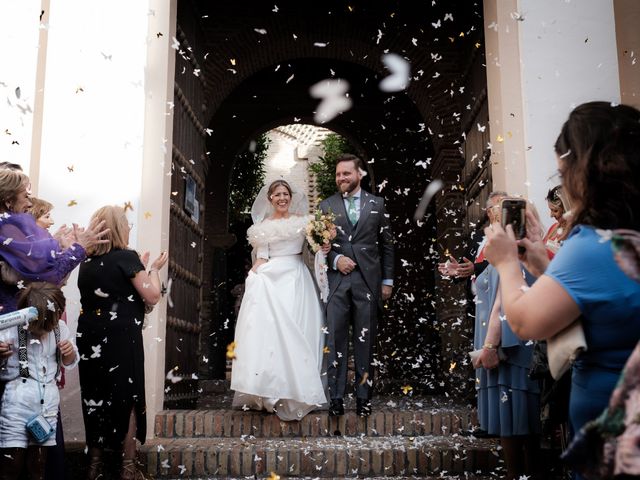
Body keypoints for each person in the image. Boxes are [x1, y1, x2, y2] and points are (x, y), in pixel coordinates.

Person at [483, 102, 640, 479]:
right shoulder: (622, 239)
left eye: (563, 170)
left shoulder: (591, 247)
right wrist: (542, 265)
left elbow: (524, 321)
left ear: (586, 172)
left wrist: (506, 263)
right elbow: (599, 298)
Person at [76, 205, 167, 480]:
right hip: (121, 337)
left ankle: (95, 465)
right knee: (125, 397)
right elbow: (151, 296)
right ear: (120, 229)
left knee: (95, 396)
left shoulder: (86, 263)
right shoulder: (127, 257)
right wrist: (153, 269)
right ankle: (128, 467)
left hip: (89, 335)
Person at [230, 179, 327, 421]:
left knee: (298, 332)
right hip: (273, 280)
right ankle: (270, 390)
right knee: (272, 336)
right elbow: (262, 257)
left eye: (286, 194)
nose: (282, 198)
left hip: (296, 279)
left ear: (290, 197)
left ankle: (298, 391)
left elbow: (315, 248)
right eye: (277, 194)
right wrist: (253, 276)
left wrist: (324, 241)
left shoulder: (304, 222)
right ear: (270, 199)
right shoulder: (262, 226)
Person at [319, 154, 394, 417]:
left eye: (346, 174)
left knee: (366, 342)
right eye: (338, 174)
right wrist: (336, 258)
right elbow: (317, 245)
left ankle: (363, 398)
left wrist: (387, 281)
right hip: (338, 283)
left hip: (368, 283)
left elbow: (387, 246)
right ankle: (336, 398)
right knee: (336, 340)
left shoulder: (378, 204)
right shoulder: (325, 205)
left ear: (359, 175)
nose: (341, 178)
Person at [472, 199, 541, 480]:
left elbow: (502, 305)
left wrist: (489, 347)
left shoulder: (516, 256)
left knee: (522, 424)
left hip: (508, 346)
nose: (492, 211)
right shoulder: (499, 252)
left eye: (500, 208)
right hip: (497, 342)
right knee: (509, 426)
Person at [0, 282, 78, 480]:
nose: (43, 331)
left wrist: (68, 354)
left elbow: (69, 362)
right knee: (12, 463)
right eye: (37, 325)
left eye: (48, 325)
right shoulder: (10, 328)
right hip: (16, 403)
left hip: (47, 405)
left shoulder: (60, 329)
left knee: (38, 464)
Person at [543, 186, 567, 258]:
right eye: (550, 210)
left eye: (555, 210)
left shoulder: (572, 233)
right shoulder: (553, 227)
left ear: (566, 209)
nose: (551, 215)